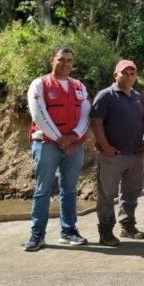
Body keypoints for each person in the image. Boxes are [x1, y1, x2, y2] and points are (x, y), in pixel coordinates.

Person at [23, 47, 91, 251]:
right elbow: (39, 115)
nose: (66, 64)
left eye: (70, 60)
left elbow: (85, 114)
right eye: (61, 60)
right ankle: (37, 235)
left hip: (73, 145)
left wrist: (73, 138)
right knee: (42, 190)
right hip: (46, 145)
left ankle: (68, 231)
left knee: (69, 190)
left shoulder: (79, 86)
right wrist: (61, 140)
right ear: (52, 60)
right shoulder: (40, 84)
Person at [90, 59, 144, 246]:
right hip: (112, 155)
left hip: (134, 154)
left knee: (131, 192)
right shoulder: (105, 95)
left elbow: (143, 121)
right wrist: (104, 145)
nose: (129, 77)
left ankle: (127, 225)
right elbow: (96, 122)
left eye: (132, 73)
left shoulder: (137, 97)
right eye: (125, 73)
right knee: (107, 193)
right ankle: (106, 231)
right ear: (116, 75)